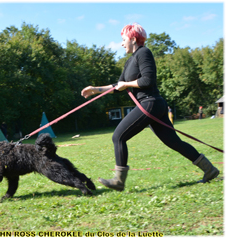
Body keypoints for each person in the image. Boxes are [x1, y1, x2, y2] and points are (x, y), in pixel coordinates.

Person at [81, 23, 219, 191]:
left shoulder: (144, 53)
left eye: (123, 39)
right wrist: (95, 89)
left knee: (118, 136)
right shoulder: (130, 61)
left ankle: (118, 181)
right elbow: (118, 86)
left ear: (133, 39)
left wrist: (127, 84)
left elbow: (147, 81)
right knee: (173, 141)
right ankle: (209, 170)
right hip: (152, 105)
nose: (122, 43)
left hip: (150, 103)